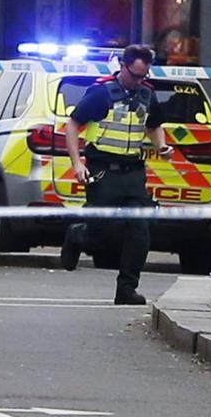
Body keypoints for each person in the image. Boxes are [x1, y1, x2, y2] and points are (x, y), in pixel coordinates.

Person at [60, 44, 173, 305]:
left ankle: (126, 289)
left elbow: (154, 126)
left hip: (132, 173)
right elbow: (73, 125)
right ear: (122, 67)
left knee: (140, 228)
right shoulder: (102, 94)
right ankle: (78, 235)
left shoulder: (147, 94)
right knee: (102, 232)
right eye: (134, 75)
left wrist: (162, 147)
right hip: (102, 172)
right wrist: (77, 163)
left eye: (143, 76)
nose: (138, 81)